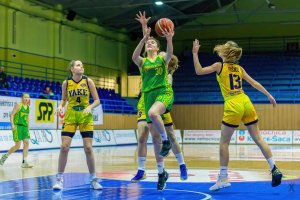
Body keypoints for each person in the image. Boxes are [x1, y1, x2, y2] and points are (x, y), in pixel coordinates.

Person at [192, 40, 283, 191]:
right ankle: (274, 168)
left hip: (233, 103)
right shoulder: (239, 68)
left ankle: (223, 178)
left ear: (224, 52)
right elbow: (254, 83)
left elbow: (198, 71)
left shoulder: (219, 66)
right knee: (259, 139)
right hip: (246, 101)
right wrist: (269, 95)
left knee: (224, 143)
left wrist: (195, 54)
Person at [132, 14, 174, 190]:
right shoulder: (142, 62)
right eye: (149, 43)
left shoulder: (162, 59)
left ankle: (167, 141)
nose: (150, 44)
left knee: (152, 114)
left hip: (162, 92)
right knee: (154, 140)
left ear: (158, 48)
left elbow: (170, 53)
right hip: (148, 96)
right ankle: (161, 172)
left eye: (153, 43)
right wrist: (143, 37)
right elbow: (134, 57)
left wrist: (169, 39)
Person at [131, 55, 188, 183]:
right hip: (144, 103)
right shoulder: (147, 66)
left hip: (159, 103)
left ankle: (182, 166)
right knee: (141, 137)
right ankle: (141, 170)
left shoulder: (167, 76)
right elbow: (138, 60)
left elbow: (166, 89)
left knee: (171, 136)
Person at [52, 60, 102, 190]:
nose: (82, 67)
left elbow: (97, 100)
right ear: (72, 69)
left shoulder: (88, 81)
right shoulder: (66, 83)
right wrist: (60, 106)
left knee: (88, 148)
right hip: (71, 116)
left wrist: (90, 107)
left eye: (82, 65)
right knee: (64, 147)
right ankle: (59, 179)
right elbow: (64, 100)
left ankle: (93, 179)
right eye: (78, 65)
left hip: (85, 116)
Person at [0, 93, 32, 168]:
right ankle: (4, 157)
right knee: (17, 145)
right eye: (25, 97)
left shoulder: (28, 107)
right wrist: (12, 125)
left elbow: (27, 118)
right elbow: (12, 115)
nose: (26, 99)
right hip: (17, 126)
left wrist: (28, 127)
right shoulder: (18, 105)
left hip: (24, 127)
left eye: (28, 98)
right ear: (22, 98)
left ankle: (24, 162)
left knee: (26, 143)